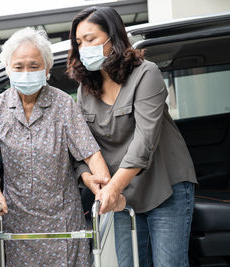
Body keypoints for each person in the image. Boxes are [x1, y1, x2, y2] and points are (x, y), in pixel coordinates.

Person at [0, 27, 125, 267]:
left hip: (62, 222)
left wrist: (105, 188)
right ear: (8, 69)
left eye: (34, 66)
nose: (26, 72)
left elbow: (90, 153)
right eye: (19, 66)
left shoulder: (63, 104)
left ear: (46, 70)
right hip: (17, 222)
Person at [67, 6, 198, 267]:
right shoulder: (85, 90)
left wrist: (112, 188)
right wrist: (90, 180)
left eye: (91, 39)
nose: (84, 48)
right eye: (79, 42)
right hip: (123, 195)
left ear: (112, 37)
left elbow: (144, 141)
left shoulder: (146, 73)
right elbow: (82, 146)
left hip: (165, 187)